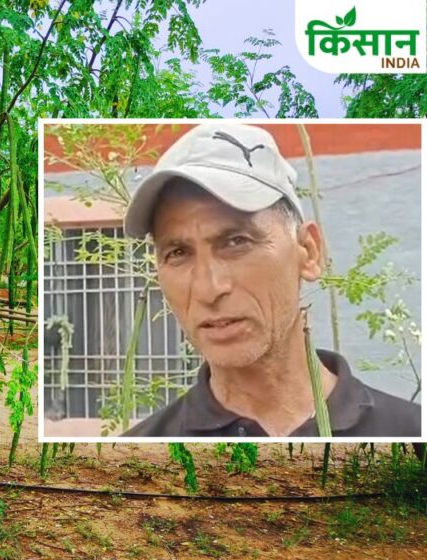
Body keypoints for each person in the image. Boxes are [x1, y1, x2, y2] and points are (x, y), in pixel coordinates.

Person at [120, 123, 421, 437]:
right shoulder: (128, 462)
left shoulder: (410, 435)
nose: (209, 289)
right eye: (178, 252)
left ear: (308, 251)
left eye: (237, 242)